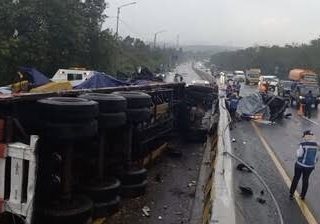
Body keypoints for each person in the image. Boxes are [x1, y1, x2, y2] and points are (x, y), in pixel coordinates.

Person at [289, 130, 319, 200]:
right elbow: (317, 156)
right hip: (310, 167)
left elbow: (299, 155)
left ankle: (291, 194)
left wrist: (297, 150)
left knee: (296, 178)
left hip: (300, 165)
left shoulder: (303, 144)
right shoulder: (317, 145)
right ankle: (302, 196)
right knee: (305, 180)